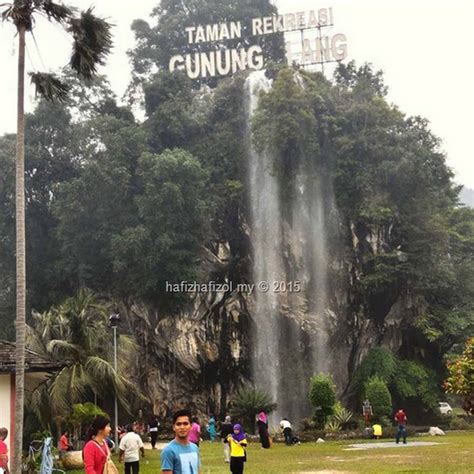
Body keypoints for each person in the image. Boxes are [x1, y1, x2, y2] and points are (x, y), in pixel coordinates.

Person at [160, 409, 201, 474]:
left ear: (190, 426)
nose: (182, 427)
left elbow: (198, 470)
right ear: (173, 427)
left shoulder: (195, 448)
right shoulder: (168, 451)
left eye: (185, 424)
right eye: (178, 424)